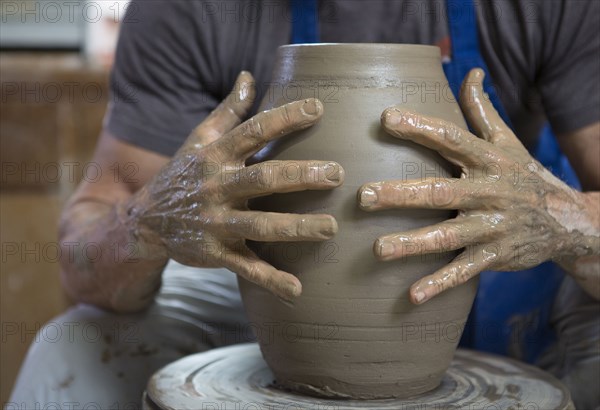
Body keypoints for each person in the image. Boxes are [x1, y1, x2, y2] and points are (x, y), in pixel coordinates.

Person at [9, 0, 599, 408]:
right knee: (81, 344)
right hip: (277, 282)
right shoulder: (186, 10)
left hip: (506, 261)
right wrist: (150, 220)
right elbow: (80, 260)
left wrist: (561, 218)